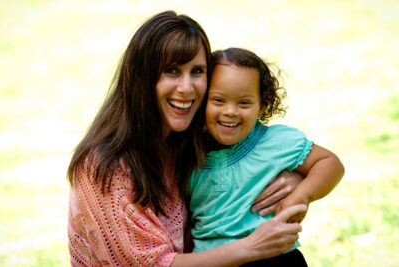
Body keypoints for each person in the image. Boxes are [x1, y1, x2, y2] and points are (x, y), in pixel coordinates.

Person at [67, 11, 307, 267]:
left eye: (197, 71)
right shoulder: (103, 167)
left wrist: (291, 181)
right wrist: (251, 247)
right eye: (171, 70)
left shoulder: (188, 142)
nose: (186, 87)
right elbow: (154, 264)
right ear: (142, 77)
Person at [189, 48, 345, 266]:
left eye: (244, 102)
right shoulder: (185, 152)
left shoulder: (275, 142)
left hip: (275, 257)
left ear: (262, 105)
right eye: (218, 100)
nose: (230, 111)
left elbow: (330, 164)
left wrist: (301, 196)